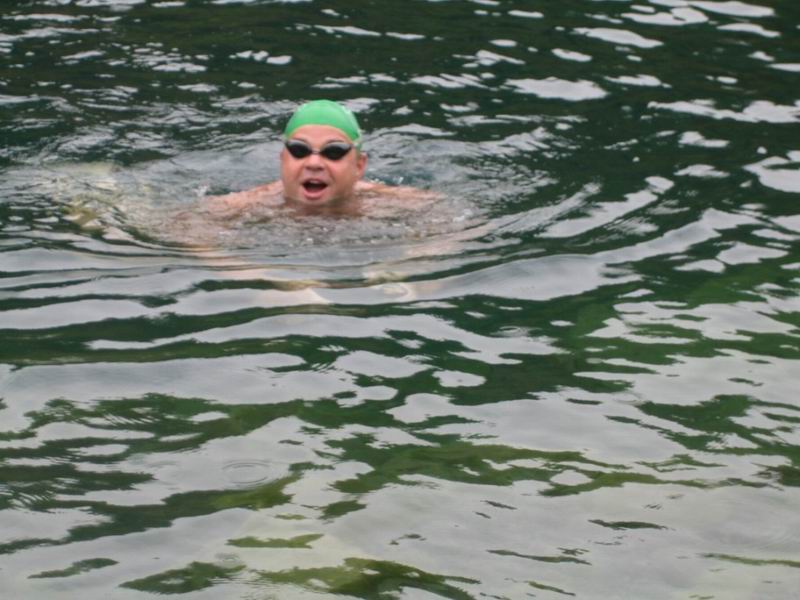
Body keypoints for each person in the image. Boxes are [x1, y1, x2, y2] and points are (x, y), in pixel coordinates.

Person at [206, 99, 438, 217]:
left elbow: (443, 217)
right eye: (299, 150)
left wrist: (403, 268)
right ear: (283, 158)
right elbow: (190, 231)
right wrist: (260, 276)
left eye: (333, 152)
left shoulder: (388, 202)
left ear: (359, 165)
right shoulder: (248, 204)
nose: (314, 163)